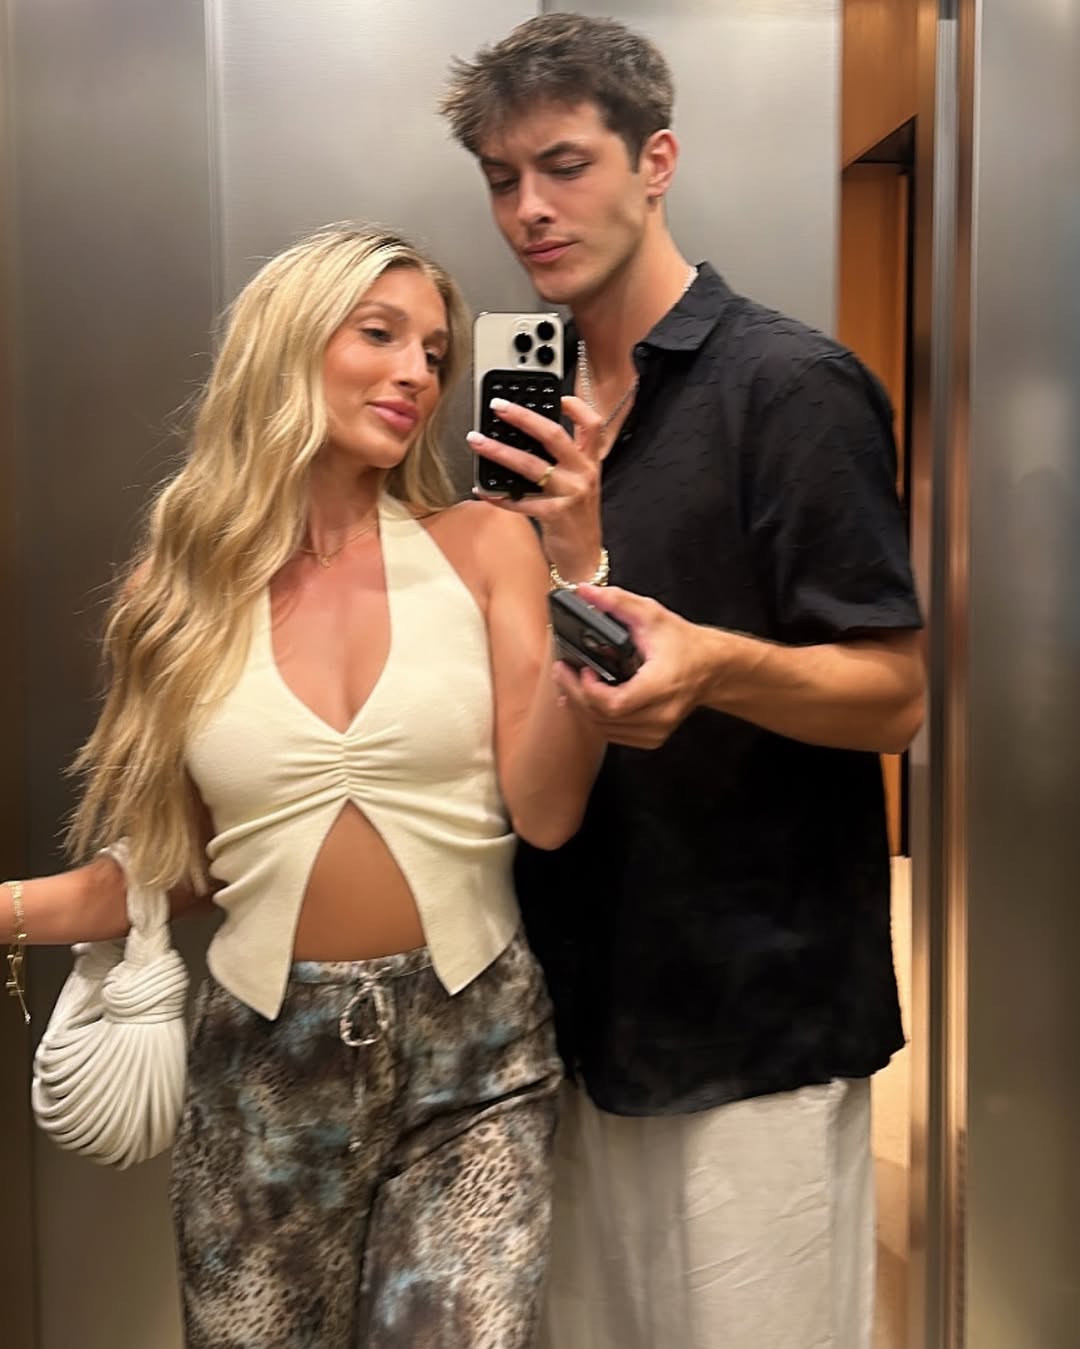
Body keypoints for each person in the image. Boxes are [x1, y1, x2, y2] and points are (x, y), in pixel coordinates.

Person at [1, 223, 605, 1348]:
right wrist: (14, 909)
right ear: (288, 343)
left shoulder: (485, 546)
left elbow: (549, 810)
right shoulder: (174, 592)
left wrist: (583, 575)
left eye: (436, 351)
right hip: (264, 1071)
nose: (417, 372)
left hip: (477, 1056)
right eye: (380, 334)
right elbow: (179, 869)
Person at [441, 15, 926, 1349]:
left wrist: (712, 665)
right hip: (562, 1006)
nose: (529, 210)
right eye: (501, 178)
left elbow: (894, 693)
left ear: (655, 161)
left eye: (564, 165)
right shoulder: (534, 412)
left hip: (748, 1013)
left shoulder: (790, 387)